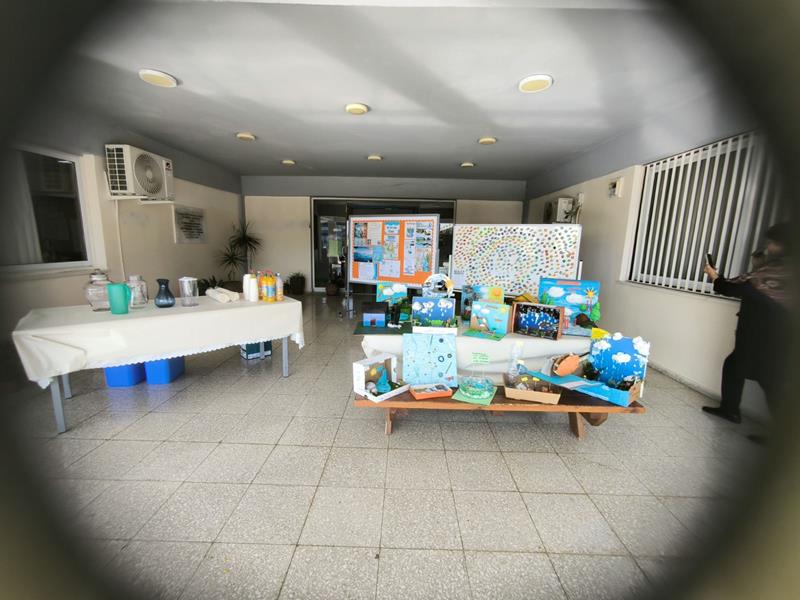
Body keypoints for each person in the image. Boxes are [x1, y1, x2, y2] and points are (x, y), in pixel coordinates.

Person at [701, 222, 793, 429]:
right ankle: (730, 409)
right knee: (738, 367)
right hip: (781, 334)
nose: (768, 247)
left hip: (762, 333)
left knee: (769, 380)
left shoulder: (773, 271)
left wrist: (714, 276)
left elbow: (736, 287)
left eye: (772, 243)